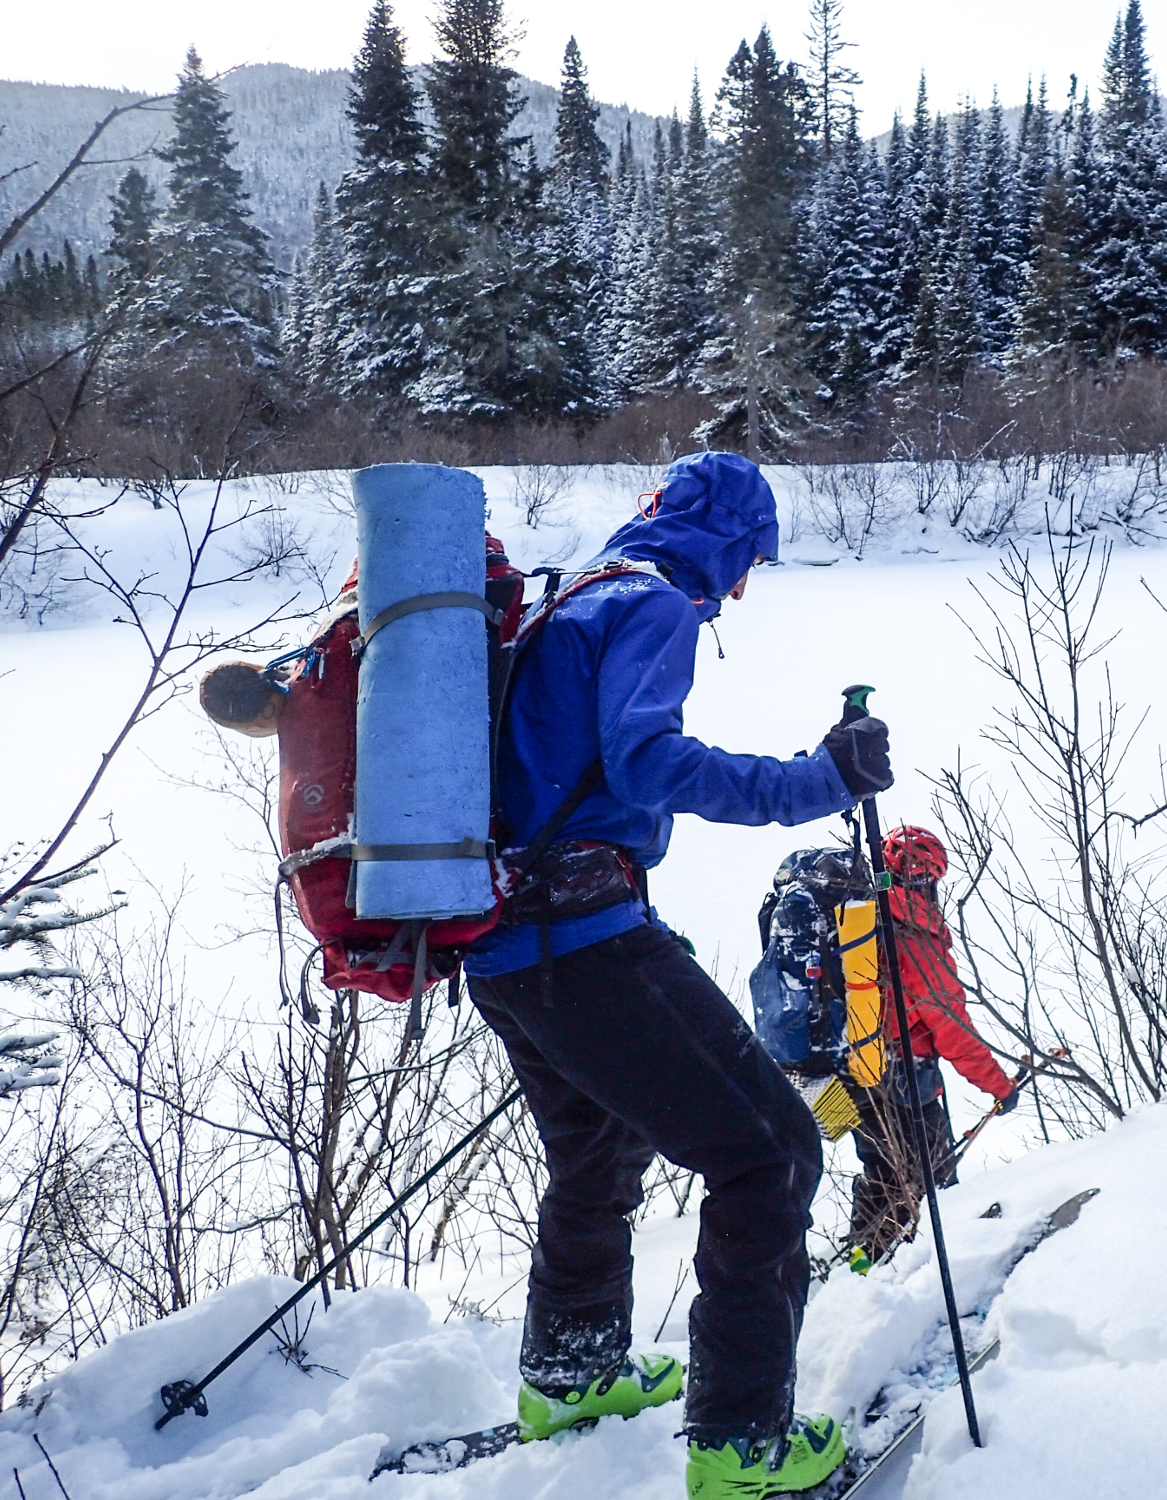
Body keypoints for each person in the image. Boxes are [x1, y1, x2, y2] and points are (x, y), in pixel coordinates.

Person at [464, 451, 892, 1500]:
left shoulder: (573, 596)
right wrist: (816, 780)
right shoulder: (652, 609)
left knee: (595, 1149)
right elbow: (649, 762)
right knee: (772, 1153)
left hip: (503, 942)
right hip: (585, 937)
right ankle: (741, 1448)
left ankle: (572, 1376)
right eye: (748, 567)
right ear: (736, 558)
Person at [845, 825, 1018, 1266]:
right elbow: (951, 1025)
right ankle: (916, 1272)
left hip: (853, 1068)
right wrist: (998, 1086)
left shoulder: (861, 918)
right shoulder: (915, 938)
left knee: (882, 1169)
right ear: (923, 879)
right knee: (931, 1181)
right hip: (906, 1076)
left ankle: (862, 1264)